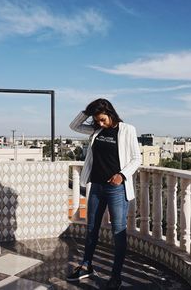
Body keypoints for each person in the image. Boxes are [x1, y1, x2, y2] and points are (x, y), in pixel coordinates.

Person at [67, 98, 141, 289]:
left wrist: (122, 175)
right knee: (91, 228)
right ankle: (86, 265)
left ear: (110, 114)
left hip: (116, 188)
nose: (100, 123)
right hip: (96, 187)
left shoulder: (127, 130)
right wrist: (88, 110)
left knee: (118, 232)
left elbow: (136, 158)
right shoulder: (95, 130)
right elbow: (74, 125)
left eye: (102, 119)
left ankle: (116, 276)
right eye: (97, 120)